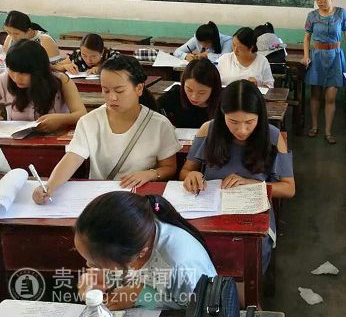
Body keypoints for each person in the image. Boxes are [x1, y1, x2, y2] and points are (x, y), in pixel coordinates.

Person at [32, 56, 181, 204]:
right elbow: (72, 158)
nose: (112, 97)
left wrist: (150, 174)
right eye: (106, 90)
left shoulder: (159, 125)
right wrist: (50, 186)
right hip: (101, 199)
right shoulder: (90, 121)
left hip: (140, 199)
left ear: (139, 88)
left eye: (119, 91)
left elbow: (169, 167)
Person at [180, 80, 294, 271]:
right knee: (190, 245)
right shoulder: (208, 130)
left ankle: (240, 289)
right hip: (208, 210)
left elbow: (289, 188)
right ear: (222, 114)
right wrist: (191, 175)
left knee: (246, 253)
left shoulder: (273, 137)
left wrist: (252, 184)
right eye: (233, 122)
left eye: (249, 122)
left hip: (252, 216)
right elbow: (185, 171)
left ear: (260, 116)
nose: (242, 130)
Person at [75, 191, 216, 310]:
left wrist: (141, 295)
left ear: (140, 253)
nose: (88, 265)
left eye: (95, 264)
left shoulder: (179, 265)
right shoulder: (134, 237)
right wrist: (102, 275)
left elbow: (197, 308)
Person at [303, 0, 346, 144]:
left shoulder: (341, 13)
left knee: (331, 97)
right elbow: (307, 37)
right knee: (315, 95)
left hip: (335, 57)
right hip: (317, 56)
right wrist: (306, 56)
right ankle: (314, 126)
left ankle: (328, 131)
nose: (320, 2)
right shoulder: (312, 16)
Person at [0, 39, 86, 132]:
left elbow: (82, 114)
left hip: (54, 137)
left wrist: (62, 120)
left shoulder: (61, 80)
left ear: (39, 70)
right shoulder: (3, 80)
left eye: (23, 73)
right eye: (12, 71)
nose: (16, 78)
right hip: (15, 139)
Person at [158, 58, 222, 128]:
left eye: (201, 92)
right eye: (189, 90)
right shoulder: (176, 94)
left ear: (214, 89)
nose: (194, 97)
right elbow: (154, 108)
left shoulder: (224, 100)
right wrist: (165, 123)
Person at [55, 33, 120, 75]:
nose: (88, 60)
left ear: (102, 52)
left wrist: (102, 69)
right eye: (84, 55)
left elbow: (124, 68)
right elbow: (51, 66)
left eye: (93, 56)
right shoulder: (78, 56)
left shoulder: (112, 56)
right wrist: (63, 67)